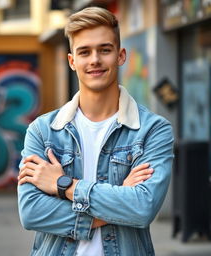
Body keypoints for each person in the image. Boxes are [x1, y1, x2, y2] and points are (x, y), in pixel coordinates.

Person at [17, 6, 174, 256]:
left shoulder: (152, 131)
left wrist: (64, 185)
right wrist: (117, 201)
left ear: (120, 55)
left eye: (104, 50)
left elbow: (143, 209)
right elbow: (32, 212)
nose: (95, 60)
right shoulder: (43, 131)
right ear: (72, 61)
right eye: (84, 52)